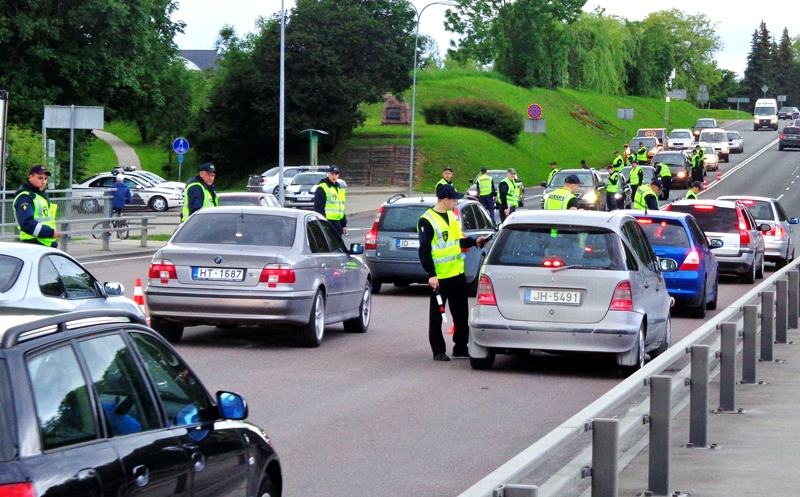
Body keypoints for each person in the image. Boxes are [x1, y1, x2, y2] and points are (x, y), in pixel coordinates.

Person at [417, 185, 489, 361]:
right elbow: (424, 250)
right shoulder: (427, 220)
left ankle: (460, 347)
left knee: (461, 313)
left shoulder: (451, 215)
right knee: (437, 315)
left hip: (456, 273)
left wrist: (475, 242)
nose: (456, 202)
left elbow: (458, 241)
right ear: (445, 200)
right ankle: (438, 350)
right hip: (440, 276)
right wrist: (431, 274)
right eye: (454, 199)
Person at [13, 165, 60, 247]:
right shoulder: (25, 197)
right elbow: (26, 223)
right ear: (31, 177)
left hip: (44, 242)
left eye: (45, 179)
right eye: (40, 178)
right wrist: (50, 232)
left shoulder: (39, 196)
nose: (43, 182)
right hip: (34, 243)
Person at [314, 165, 348, 237]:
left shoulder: (339, 188)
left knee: (338, 244)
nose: (334, 176)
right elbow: (319, 207)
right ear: (328, 174)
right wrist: (322, 222)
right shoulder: (322, 187)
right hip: (327, 221)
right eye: (332, 174)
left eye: (336, 174)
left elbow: (341, 208)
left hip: (337, 222)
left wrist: (343, 224)